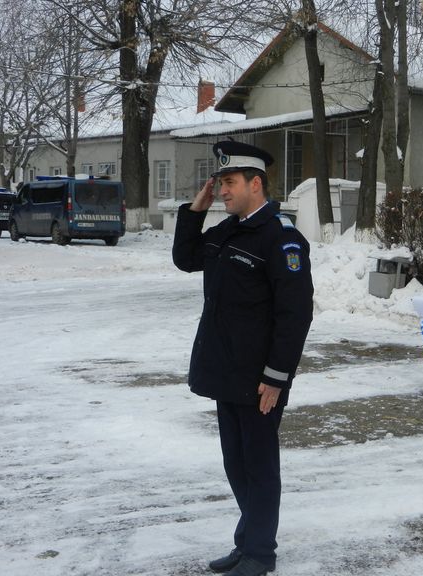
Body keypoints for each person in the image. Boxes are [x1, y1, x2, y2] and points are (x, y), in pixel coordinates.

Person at [173, 141, 313, 576]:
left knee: (259, 467)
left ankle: (260, 552)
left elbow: (295, 315)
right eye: (219, 183)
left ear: (256, 184)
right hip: (226, 373)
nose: (223, 191)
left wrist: (276, 377)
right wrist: (196, 210)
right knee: (237, 465)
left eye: (229, 182)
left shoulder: (282, 238)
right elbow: (186, 258)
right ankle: (247, 542)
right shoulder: (230, 229)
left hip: (258, 380)